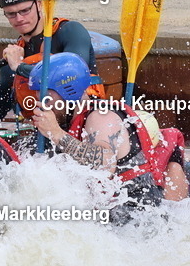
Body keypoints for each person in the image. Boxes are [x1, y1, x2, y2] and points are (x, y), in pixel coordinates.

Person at [28, 53, 164, 217]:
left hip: (137, 217)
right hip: (110, 217)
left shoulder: (101, 116)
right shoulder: (69, 121)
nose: (41, 107)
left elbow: (105, 165)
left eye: (46, 99)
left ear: (68, 92)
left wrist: (56, 134)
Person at [0, 0, 106, 127]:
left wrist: (19, 67)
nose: (19, 18)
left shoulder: (70, 31)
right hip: (43, 131)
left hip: (83, 124)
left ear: (38, 4)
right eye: (11, 14)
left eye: (25, 10)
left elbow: (72, 76)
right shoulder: (15, 55)